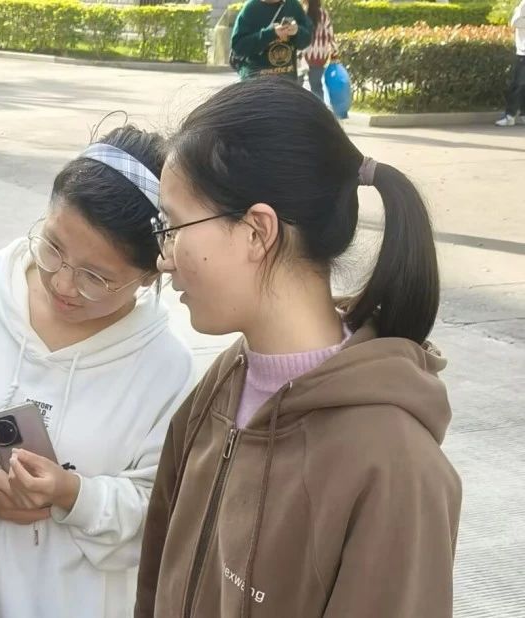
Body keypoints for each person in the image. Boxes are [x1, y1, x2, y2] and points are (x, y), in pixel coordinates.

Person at [135, 78, 461, 617]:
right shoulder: (224, 385)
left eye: (174, 226)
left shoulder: (394, 468)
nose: (163, 257)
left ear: (257, 231)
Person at [0, 126, 194, 618]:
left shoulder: (165, 369)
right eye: (53, 247)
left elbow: (162, 513)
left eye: (96, 277)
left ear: (150, 274)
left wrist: (74, 495)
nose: (63, 283)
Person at [232, 0, 313, 81]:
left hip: (286, 82)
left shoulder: (293, 5)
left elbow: (306, 40)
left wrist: (297, 32)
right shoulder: (250, 8)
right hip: (256, 82)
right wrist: (270, 33)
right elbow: (238, 47)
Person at [495, 0, 525, 126]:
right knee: (518, 85)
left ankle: (523, 114)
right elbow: (515, 22)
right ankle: (510, 116)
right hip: (523, 52)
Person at [301, 0, 336, 101]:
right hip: (320, 55)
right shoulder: (323, 14)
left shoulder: (302, 12)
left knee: (297, 86)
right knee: (316, 86)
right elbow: (330, 35)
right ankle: (319, 109)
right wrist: (334, 52)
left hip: (302, 55)